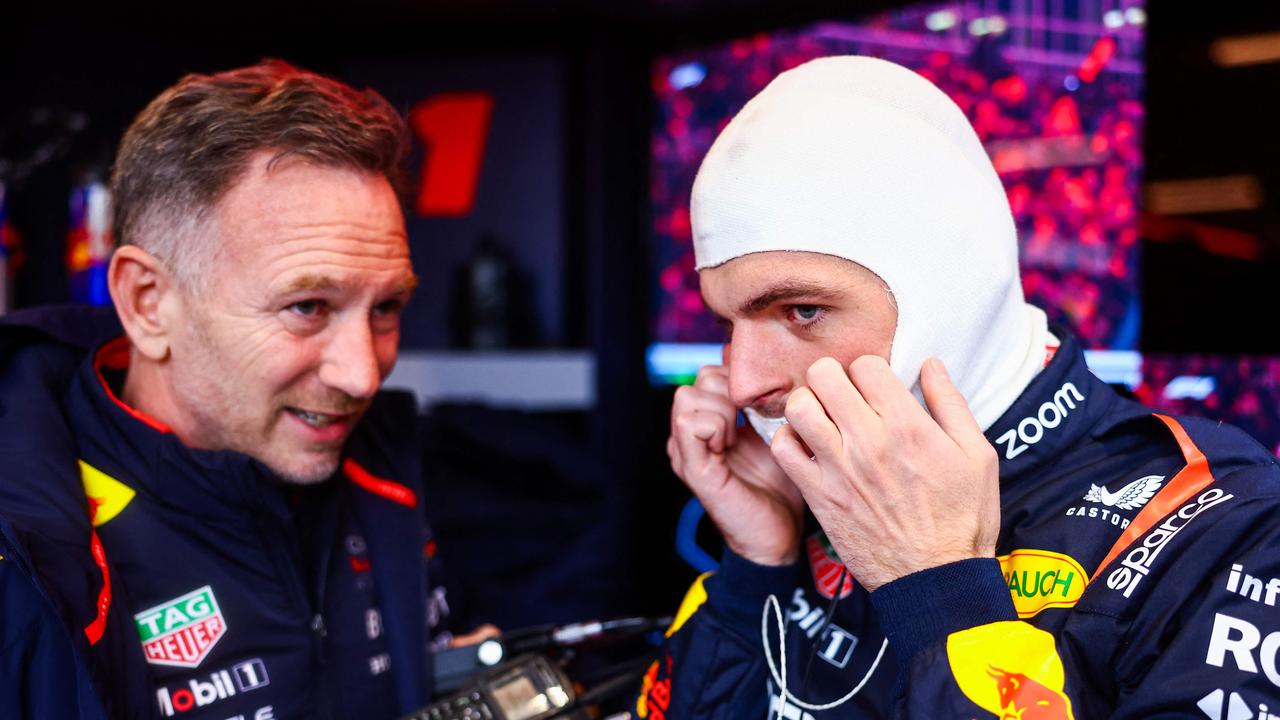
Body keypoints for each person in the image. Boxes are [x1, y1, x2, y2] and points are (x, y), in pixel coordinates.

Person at [639, 56, 1280, 719]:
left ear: (947, 299)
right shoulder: (807, 492)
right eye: (729, 320)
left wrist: (938, 587)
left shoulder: (1228, 529)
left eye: (802, 312)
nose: (744, 382)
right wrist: (755, 566)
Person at [0, 60, 493, 719]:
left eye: (386, 307)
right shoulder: (26, 560)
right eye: (308, 307)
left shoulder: (379, 464)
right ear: (148, 304)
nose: (364, 374)